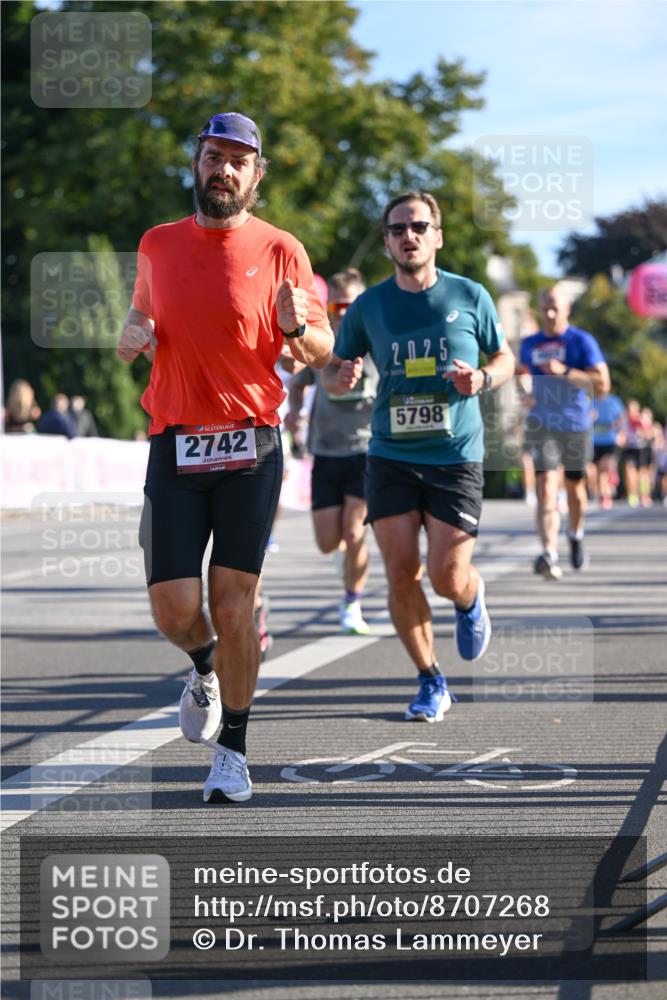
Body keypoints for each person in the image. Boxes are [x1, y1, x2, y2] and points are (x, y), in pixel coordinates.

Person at [117, 111, 333, 803]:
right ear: (198, 163)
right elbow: (147, 319)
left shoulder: (281, 249)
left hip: (250, 443)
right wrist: (135, 331)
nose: (224, 168)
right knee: (174, 609)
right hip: (175, 442)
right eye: (215, 155)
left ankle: (233, 750)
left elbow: (320, 350)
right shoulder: (156, 243)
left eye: (239, 160)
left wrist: (302, 329)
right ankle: (202, 666)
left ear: (256, 175)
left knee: (233, 604)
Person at [324, 191, 515, 722]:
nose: (407, 236)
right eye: (397, 229)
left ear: (437, 236)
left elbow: (504, 358)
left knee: (446, 574)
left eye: (418, 226)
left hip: (455, 455)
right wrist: (340, 374)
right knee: (401, 573)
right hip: (389, 453)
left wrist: (480, 378)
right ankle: (431, 679)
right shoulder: (370, 305)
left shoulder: (471, 295)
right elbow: (335, 366)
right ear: (387, 242)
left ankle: (470, 598)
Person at [286, 268, 377, 635]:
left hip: (366, 449)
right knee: (328, 542)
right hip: (324, 449)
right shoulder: (323, 341)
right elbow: (298, 379)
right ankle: (348, 560)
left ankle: (352, 602)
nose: (342, 312)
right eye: (336, 304)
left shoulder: (377, 341)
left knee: (355, 531)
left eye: (349, 305)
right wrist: (293, 409)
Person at [517, 286, 610, 578]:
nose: (550, 313)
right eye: (545, 307)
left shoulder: (581, 341)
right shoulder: (530, 343)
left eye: (555, 307)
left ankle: (576, 533)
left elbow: (603, 385)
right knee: (546, 486)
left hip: (575, 425)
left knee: (575, 491)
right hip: (542, 422)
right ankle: (549, 553)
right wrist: (523, 388)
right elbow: (521, 372)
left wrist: (565, 372)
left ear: (567, 308)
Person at [590, 392, 625, 509]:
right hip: (594, 441)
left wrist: (618, 430)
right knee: (597, 471)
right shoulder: (590, 400)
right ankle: (603, 493)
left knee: (604, 468)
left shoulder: (613, 400)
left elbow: (621, 417)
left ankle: (606, 495)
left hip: (609, 440)